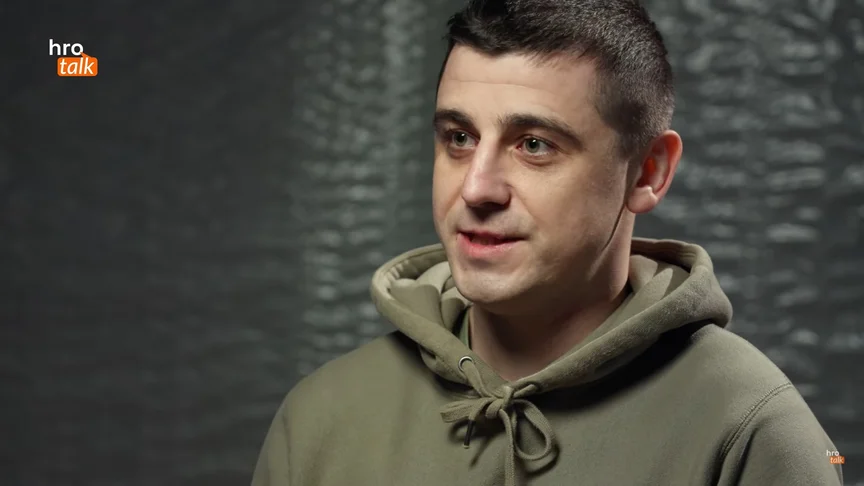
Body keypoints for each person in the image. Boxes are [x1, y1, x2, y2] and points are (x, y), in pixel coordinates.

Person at [252, 0, 845, 484]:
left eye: (534, 144)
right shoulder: (321, 421)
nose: (476, 188)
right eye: (459, 137)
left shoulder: (750, 430)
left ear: (647, 172)